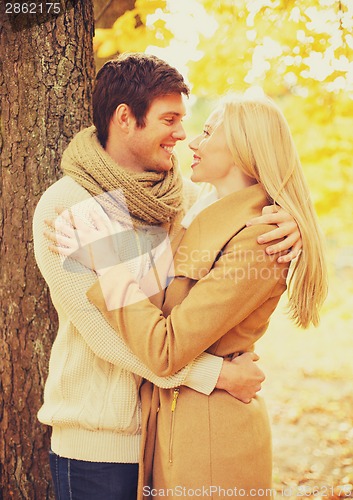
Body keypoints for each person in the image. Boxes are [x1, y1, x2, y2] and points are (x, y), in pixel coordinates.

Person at [34, 53, 302, 500]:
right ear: (125, 119)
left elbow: (249, 187)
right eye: (170, 119)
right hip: (95, 446)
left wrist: (288, 222)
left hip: (167, 434)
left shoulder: (179, 198)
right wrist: (212, 375)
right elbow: (106, 335)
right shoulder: (66, 207)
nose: (183, 133)